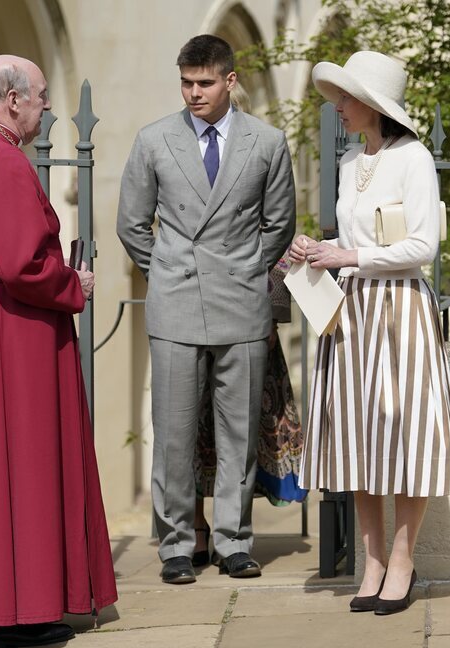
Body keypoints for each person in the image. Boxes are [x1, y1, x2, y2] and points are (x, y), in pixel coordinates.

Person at [0, 54, 117, 648]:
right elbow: (18, 264)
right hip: (15, 327)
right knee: (25, 463)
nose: (47, 107)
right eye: (40, 96)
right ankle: (20, 613)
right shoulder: (3, 161)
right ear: (12, 99)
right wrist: (72, 284)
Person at [290, 51, 450, 616]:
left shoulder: (413, 158)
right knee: (357, 435)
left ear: (373, 104)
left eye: (346, 98)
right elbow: (348, 245)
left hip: (401, 312)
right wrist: (315, 253)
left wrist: (351, 254)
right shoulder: (348, 164)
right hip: (353, 312)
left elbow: (423, 247)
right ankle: (369, 563)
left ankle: (401, 559)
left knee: (405, 434)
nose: (338, 107)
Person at [117, 35, 296, 584]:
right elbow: (131, 224)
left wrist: (241, 270)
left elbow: (279, 224)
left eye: (204, 83)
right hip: (174, 304)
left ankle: (234, 541)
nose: (194, 93)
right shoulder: (153, 141)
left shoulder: (267, 142)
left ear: (229, 81)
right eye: (186, 83)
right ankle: (175, 545)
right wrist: (170, 270)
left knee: (239, 429)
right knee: (172, 432)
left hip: (242, 303)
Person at [192, 258, 308, 565]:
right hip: (189, 308)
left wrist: (270, 315)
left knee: (242, 435)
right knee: (188, 430)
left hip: (247, 317)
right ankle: (195, 527)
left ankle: (231, 534)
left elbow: (278, 247)